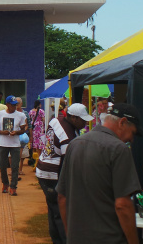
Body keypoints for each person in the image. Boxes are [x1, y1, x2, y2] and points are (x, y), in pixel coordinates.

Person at [57, 103, 143, 244]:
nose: (132, 139)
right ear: (122, 122)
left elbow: (62, 197)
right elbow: (122, 204)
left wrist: (70, 236)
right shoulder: (119, 149)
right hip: (110, 238)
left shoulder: (75, 144)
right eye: (133, 133)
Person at [36, 103, 93, 244]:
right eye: (82, 120)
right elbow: (68, 165)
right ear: (73, 118)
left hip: (43, 169)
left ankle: (56, 239)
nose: (85, 123)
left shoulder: (57, 119)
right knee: (62, 213)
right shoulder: (67, 138)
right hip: (53, 174)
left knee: (53, 210)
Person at [0, 95, 27, 196]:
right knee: (2, 166)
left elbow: (23, 129)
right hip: (3, 143)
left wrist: (16, 132)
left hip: (15, 144)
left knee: (15, 166)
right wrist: (1, 132)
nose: (14, 107)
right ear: (7, 105)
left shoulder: (20, 115)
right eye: (12, 105)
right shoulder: (0, 114)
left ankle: (13, 187)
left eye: (15, 105)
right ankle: (5, 184)